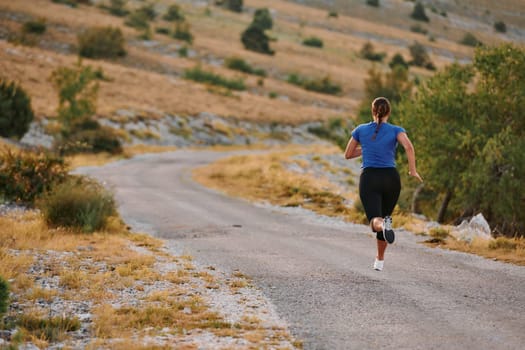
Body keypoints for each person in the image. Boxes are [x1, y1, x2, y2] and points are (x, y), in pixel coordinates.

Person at [344, 97, 422, 271]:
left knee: (375, 221)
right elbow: (408, 147)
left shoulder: (360, 130)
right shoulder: (396, 130)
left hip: (370, 177)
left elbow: (348, 154)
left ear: (372, 111)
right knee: (385, 216)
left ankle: (382, 228)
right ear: (389, 112)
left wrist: (366, 147)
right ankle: (379, 260)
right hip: (391, 178)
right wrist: (412, 170)